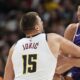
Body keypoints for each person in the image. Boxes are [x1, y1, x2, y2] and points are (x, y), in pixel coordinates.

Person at [3, 12, 80, 80]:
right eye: (40, 21)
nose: (42, 22)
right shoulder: (52, 39)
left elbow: (7, 78)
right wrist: (67, 60)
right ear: (37, 27)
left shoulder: (14, 47)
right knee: (57, 77)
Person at [55, 5, 80, 80]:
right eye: (78, 10)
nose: (79, 13)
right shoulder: (72, 29)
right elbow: (61, 59)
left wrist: (69, 60)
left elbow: (64, 60)